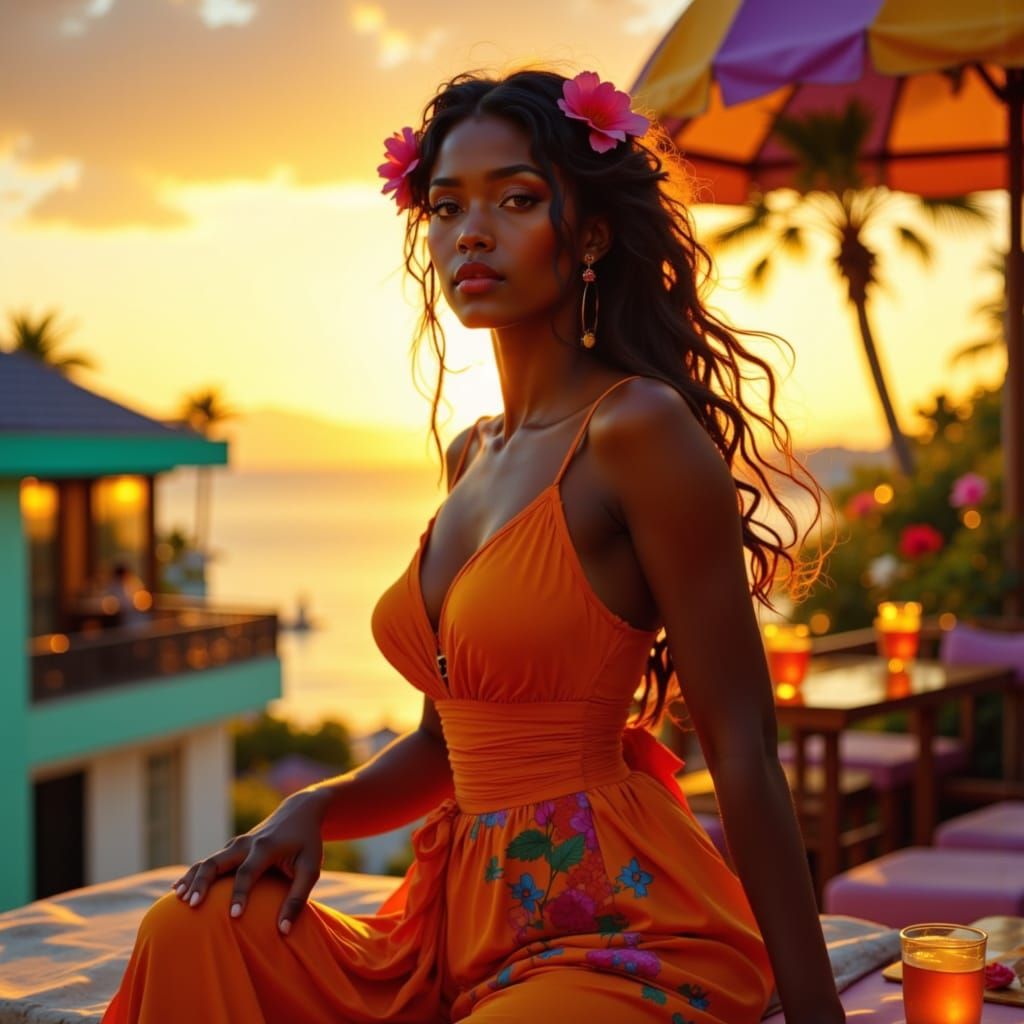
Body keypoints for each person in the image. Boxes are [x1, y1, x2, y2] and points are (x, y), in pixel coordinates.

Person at [102, 68, 845, 1023]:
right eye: (448, 207)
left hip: (617, 926)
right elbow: (443, 744)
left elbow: (743, 746)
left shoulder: (639, 431)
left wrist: (818, 1014)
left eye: (517, 199)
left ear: (591, 235)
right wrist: (316, 807)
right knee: (190, 928)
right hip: (455, 922)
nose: (473, 232)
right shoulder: (471, 454)